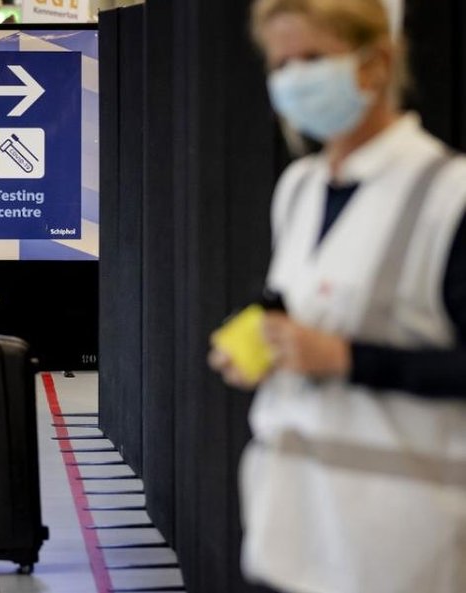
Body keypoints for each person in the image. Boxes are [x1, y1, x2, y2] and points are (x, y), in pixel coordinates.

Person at [209, 1, 466, 592]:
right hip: (293, 531)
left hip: (403, 543)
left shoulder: (445, 196)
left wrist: (347, 359)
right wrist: (256, 338)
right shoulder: (300, 188)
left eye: (312, 60)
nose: (294, 80)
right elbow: (300, 300)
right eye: (281, 64)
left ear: (374, 65)